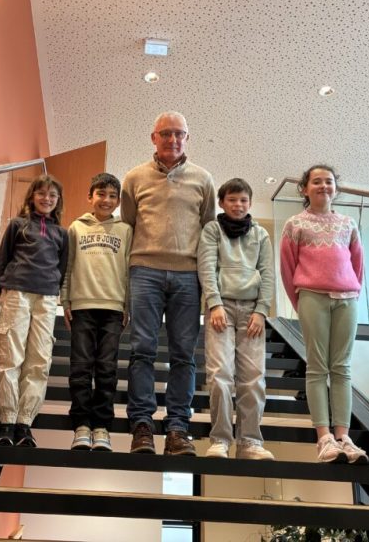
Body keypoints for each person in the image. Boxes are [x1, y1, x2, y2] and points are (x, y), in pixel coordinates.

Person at [121, 111, 216, 456]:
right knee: (142, 350)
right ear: (153, 137)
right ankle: (142, 426)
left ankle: (177, 427)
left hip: (188, 276)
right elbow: (128, 226)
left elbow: (209, 231)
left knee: (183, 355)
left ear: (187, 138)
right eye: (166, 133)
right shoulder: (134, 178)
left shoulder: (203, 179)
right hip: (144, 271)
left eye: (179, 134)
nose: (173, 140)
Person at [279, 164, 368, 464]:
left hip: (347, 299)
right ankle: (324, 438)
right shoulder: (295, 224)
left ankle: (344, 437)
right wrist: (301, 302)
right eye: (316, 181)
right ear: (304, 189)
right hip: (311, 297)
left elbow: (358, 265)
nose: (323, 186)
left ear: (336, 188)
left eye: (328, 181)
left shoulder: (348, 223)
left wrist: (352, 292)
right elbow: (287, 268)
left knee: (342, 368)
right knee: (317, 368)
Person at [197, 178, 275, 460]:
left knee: (253, 379)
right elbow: (206, 267)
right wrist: (214, 303)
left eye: (243, 200)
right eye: (232, 200)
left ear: (250, 203)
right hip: (221, 309)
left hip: (252, 311)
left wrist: (262, 310)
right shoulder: (212, 229)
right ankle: (220, 439)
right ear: (221, 203)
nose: (238, 205)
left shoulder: (261, 234)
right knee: (220, 375)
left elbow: (268, 273)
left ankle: (250, 442)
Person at [0, 174, 68, 448]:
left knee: (39, 360)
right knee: (11, 357)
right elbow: (2, 261)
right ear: (32, 196)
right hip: (17, 293)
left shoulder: (62, 233)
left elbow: (62, 268)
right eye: (41, 193)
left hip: (47, 298)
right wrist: (5, 292)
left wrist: (53, 293)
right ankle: (7, 420)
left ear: (58, 200)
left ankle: (24, 422)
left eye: (52, 195)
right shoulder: (18, 225)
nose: (46, 199)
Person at [61, 173, 133, 452]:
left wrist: (127, 305)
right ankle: (81, 425)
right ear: (90, 197)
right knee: (80, 367)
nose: (107, 200)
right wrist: (65, 301)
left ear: (118, 201)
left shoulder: (125, 230)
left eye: (113, 196)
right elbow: (68, 267)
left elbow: (129, 270)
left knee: (107, 368)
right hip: (82, 306)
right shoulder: (76, 227)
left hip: (113, 308)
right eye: (101, 194)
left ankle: (102, 427)